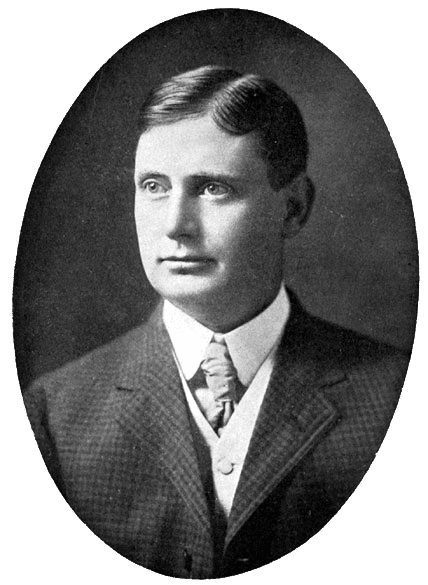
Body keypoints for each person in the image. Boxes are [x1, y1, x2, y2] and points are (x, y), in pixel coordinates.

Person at [23, 66, 408, 578]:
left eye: (212, 189)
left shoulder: (395, 397)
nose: (175, 225)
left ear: (293, 208)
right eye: (154, 187)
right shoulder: (55, 414)